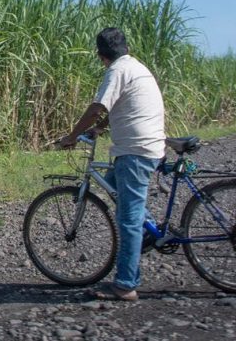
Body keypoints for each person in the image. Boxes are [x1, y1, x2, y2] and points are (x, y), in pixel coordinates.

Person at [57, 27, 167, 301]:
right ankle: (150, 231)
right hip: (146, 147)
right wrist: (100, 129)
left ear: (101, 56)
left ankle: (125, 284)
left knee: (127, 220)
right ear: (125, 48)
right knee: (116, 183)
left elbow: (98, 107)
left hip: (136, 151)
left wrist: (72, 136)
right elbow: (118, 106)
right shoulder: (136, 67)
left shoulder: (116, 71)